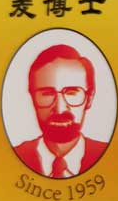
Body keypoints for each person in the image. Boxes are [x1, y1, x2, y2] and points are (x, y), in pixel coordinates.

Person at [13, 44, 108, 177]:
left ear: (89, 98)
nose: (60, 109)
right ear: (32, 98)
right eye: (47, 93)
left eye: (71, 93)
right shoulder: (10, 159)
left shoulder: (112, 157)